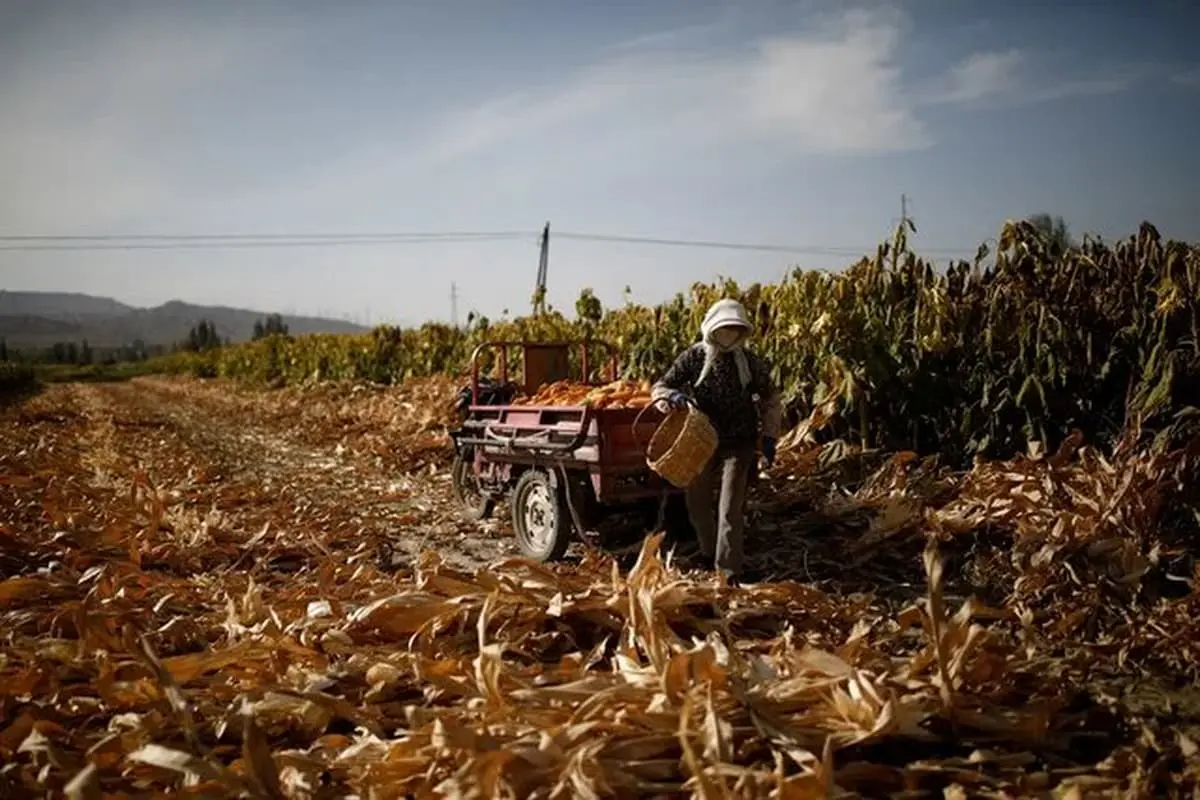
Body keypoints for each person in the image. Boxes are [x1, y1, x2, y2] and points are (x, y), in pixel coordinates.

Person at [650, 298, 783, 581]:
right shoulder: (694, 357)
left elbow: (771, 399)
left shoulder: (749, 362)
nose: (728, 335)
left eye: (734, 329)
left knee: (730, 508)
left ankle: (729, 570)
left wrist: (769, 436)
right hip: (700, 439)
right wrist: (670, 397)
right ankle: (709, 551)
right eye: (724, 329)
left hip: (740, 441)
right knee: (696, 502)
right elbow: (661, 385)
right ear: (711, 327)